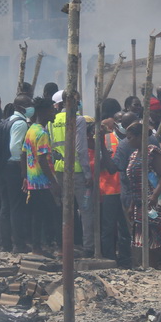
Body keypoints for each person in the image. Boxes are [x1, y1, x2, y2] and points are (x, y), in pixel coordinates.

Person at [125, 122, 161, 272]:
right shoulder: (133, 155)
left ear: (140, 137)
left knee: (152, 231)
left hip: (155, 201)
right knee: (147, 238)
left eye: (130, 137)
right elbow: (134, 182)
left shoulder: (153, 153)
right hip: (139, 201)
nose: (128, 140)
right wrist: (132, 204)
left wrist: (154, 196)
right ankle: (153, 267)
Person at [49, 90, 93, 256]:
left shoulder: (52, 120)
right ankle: (88, 247)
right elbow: (81, 149)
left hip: (60, 170)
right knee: (86, 209)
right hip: (78, 171)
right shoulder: (78, 120)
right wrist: (88, 174)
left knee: (66, 208)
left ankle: (66, 244)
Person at [24, 96, 61, 256]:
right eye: (52, 110)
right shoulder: (42, 133)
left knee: (38, 215)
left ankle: (37, 247)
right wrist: (54, 182)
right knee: (56, 213)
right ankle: (60, 247)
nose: (54, 113)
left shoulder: (31, 129)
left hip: (33, 181)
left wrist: (25, 177)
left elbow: (23, 154)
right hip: (43, 182)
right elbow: (42, 159)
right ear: (44, 112)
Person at [0, 94, 33, 253]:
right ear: (20, 107)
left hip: (4, 166)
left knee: (6, 206)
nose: (31, 106)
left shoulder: (7, 120)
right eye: (28, 104)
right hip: (14, 167)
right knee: (16, 207)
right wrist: (23, 171)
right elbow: (15, 148)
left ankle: (6, 242)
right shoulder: (20, 123)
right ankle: (18, 244)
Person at [96, 117, 132, 267]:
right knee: (109, 227)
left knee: (125, 227)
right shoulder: (107, 139)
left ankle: (125, 259)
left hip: (125, 189)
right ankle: (110, 258)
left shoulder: (132, 142)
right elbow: (100, 162)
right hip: (109, 188)